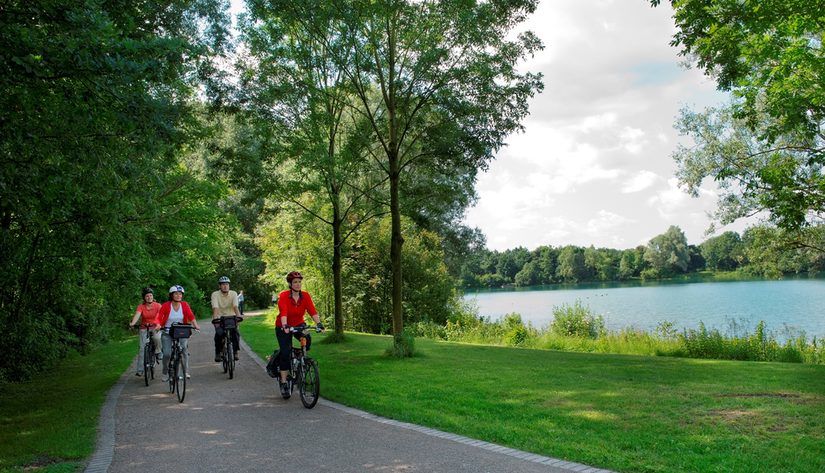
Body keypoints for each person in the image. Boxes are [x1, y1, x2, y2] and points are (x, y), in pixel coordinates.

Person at [275, 271, 324, 397]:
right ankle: (284, 382)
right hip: (283, 326)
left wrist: (319, 323)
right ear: (290, 284)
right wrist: (285, 325)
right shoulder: (284, 295)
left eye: (299, 282)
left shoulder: (305, 296)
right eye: (295, 282)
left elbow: (312, 310)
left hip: (299, 324)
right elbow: (283, 311)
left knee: (307, 339)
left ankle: (298, 357)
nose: (297, 284)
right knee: (285, 353)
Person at [156, 285, 201, 381]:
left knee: (184, 350)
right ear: (171, 295)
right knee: (167, 354)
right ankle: (165, 371)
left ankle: (185, 371)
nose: (178, 295)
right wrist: (158, 325)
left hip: (181, 331)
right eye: (176, 293)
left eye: (180, 294)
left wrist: (195, 325)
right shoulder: (166, 305)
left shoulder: (184, 305)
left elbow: (191, 315)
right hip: (167, 332)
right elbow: (159, 317)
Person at [128, 287, 162, 377]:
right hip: (144, 327)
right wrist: (132, 323)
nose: (149, 297)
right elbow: (137, 315)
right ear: (144, 298)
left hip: (156, 327)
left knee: (157, 337)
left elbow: (161, 316)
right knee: (142, 348)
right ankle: (140, 370)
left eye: (150, 295)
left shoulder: (158, 305)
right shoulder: (141, 306)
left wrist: (159, 325)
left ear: (153, 296)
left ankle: (158, 352)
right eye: (147, 296)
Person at [211, 276, 241, 362]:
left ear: (229, 285)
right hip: (219, 318)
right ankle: (218, 353)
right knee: (219, 334)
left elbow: (235, 306)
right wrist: (215, 320)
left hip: (231, 317)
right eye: (223, 284)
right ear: (219, 286)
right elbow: (215, 308)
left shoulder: (234, 293)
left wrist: (238, 316)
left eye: (227, 284)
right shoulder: (215, 294)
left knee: (235, 333)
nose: (225, 286)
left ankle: (235, 351)